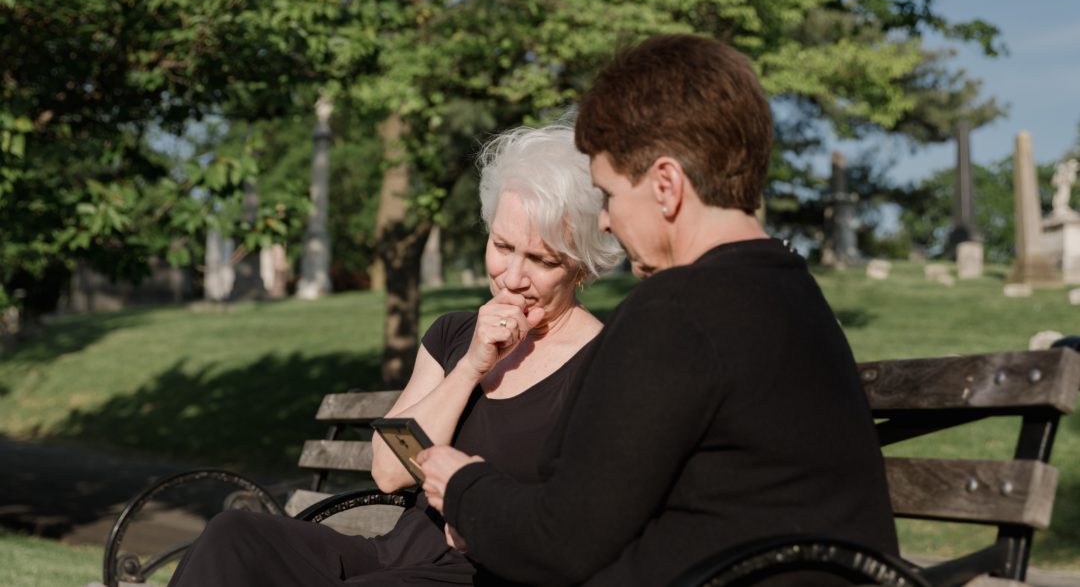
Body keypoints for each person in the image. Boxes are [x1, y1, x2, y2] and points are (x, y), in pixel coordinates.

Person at [418, 34, 900, 586]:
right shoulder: (794, 295)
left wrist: (462, 491)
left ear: (666, 185)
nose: (604, 223)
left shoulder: (676, 313)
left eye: (609, 195)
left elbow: (560, 543)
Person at [166, 121, 622, 586]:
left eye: (542, 261)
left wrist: (490, 522)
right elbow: (388, 472)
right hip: (396, 554)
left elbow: (585, 527)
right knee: (233, 534)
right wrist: (470, 367)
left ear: (582, 266)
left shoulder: (602, 364)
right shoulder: (454, 334)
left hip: (488, 572)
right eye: (502, 246)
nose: (512, 276)